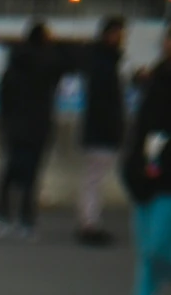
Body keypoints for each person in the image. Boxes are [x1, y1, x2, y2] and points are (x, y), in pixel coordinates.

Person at [100, 26, 171, 295]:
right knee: (148, 251)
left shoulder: (156, 80)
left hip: (161, 177)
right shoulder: (156, 79)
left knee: (157, 249)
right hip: (148, 174)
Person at [0, 23, 62, 239]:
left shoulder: (13, 66)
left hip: (15, 127)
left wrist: (5, 123)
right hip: (38, 126)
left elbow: (2, 98)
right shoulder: (47, 66)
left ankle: (2, 216)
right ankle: (25, 219)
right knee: (31, 175)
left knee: (10, 172)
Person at [76, 16, 126, 244]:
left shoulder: (97, 61)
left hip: (97, 130)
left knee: (92, 179)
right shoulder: (104, 64)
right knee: (94, 179)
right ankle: (90, 223)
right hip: (102, 131)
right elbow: (106, 102)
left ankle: (89, 221)